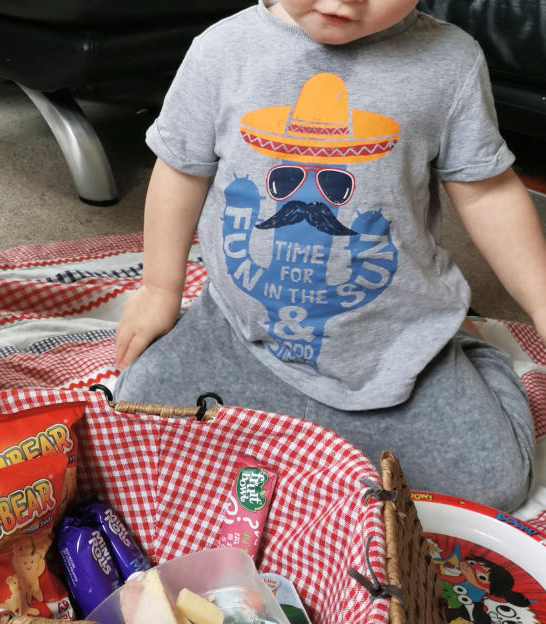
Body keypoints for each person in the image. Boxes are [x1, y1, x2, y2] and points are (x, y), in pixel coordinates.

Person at [112, 0, 546, 511]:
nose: (342, 0)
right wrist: (160, 288)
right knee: (135, 420)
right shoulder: (221, 51)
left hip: (394, 348)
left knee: (496, 484)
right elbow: (181, 170)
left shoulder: (449, 62)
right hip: (240, 334)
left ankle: (473, 358)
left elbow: (487, 191)